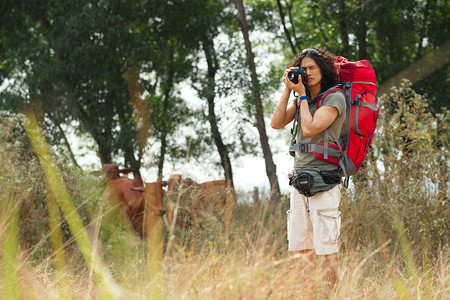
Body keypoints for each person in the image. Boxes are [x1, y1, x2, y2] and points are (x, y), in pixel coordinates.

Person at [270, 48, 346, 294]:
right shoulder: (302, 99)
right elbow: (276, 123)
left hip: (324, 183)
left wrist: (302, 97)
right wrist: (288, 91)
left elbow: (311, 128)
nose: (308, 72)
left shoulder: (335, 98)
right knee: (301, 249)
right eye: (304, 68)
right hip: (299, 183)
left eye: (313, 67)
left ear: (323, 70)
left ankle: (330, 295)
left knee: (326, 249)